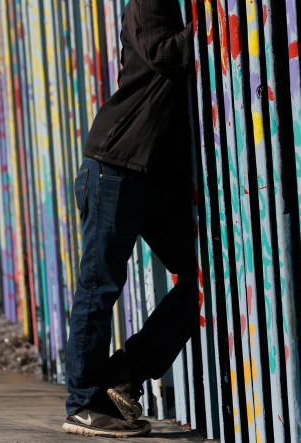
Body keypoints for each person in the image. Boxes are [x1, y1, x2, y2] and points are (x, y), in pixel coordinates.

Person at [62, 0, 198, 438]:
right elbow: (164, 53)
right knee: (98, 287)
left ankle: (124, 373)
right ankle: (82, 404)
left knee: (204, 279)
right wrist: (214, 26)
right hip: (116, 167)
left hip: (152, 174)